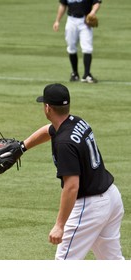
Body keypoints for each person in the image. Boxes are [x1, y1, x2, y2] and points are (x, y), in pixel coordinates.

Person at [23, 83, 125, 260]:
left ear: (47, 108)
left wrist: (59, 225)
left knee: (64, 264)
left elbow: (71, 186)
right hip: (112, 198)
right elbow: (49, 130)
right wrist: (22, 147)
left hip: (91, 207)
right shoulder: (76, 122)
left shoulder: (64, 143)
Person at [53, 0, 102, 83]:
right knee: (71, 47)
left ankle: (86, 75)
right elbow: (63, 5)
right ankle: (75, 74)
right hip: (71, 20)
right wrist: (57, 21)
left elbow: (96, 3)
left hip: (85, 21)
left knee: (87, 48)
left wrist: (92, 12)